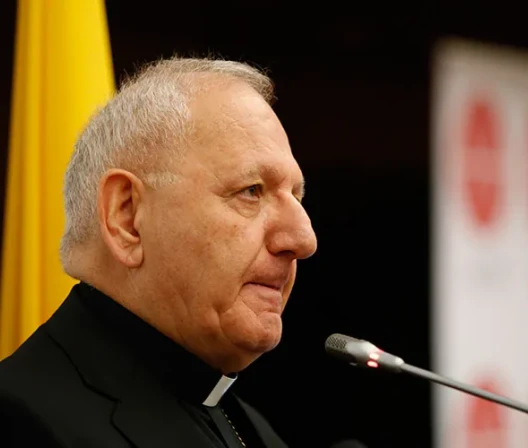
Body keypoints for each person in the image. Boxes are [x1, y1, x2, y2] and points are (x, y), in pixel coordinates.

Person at [0, 57, 318, 447]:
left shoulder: (251, 427)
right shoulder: (19, 423)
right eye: (251, 191)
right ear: (127, 217)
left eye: (297, 197)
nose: (304, 239)